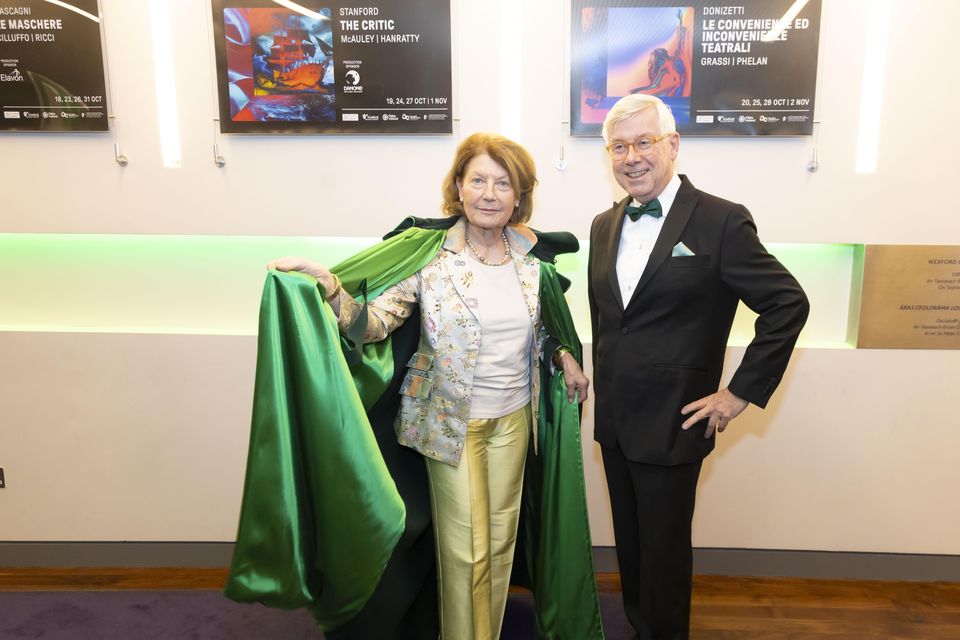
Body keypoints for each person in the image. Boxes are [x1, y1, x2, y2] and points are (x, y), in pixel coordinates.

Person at [258, 132, 597, 640]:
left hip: (512, 421)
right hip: (447, 427)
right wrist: (331, 288)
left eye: (503, 183)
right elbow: (373, 324)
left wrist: (564, 354)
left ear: (519, 195)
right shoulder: (429, 257)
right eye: (478, 179)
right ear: (458, 187)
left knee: (500, 544)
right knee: (465, 553)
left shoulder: (531, 260)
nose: (489, 193)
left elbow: (542, 327)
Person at [587, 94, 809, 640]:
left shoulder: (721, 221)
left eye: (644, 142)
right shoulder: (601, 224)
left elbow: (788, 303)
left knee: (664, 555)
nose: (631, 156)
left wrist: (737, 394)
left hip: (675, 421)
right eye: (619, 146)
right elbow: (616, 320)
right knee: (633, 549)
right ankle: (641, 627)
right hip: (616, 421)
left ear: (673, 145)